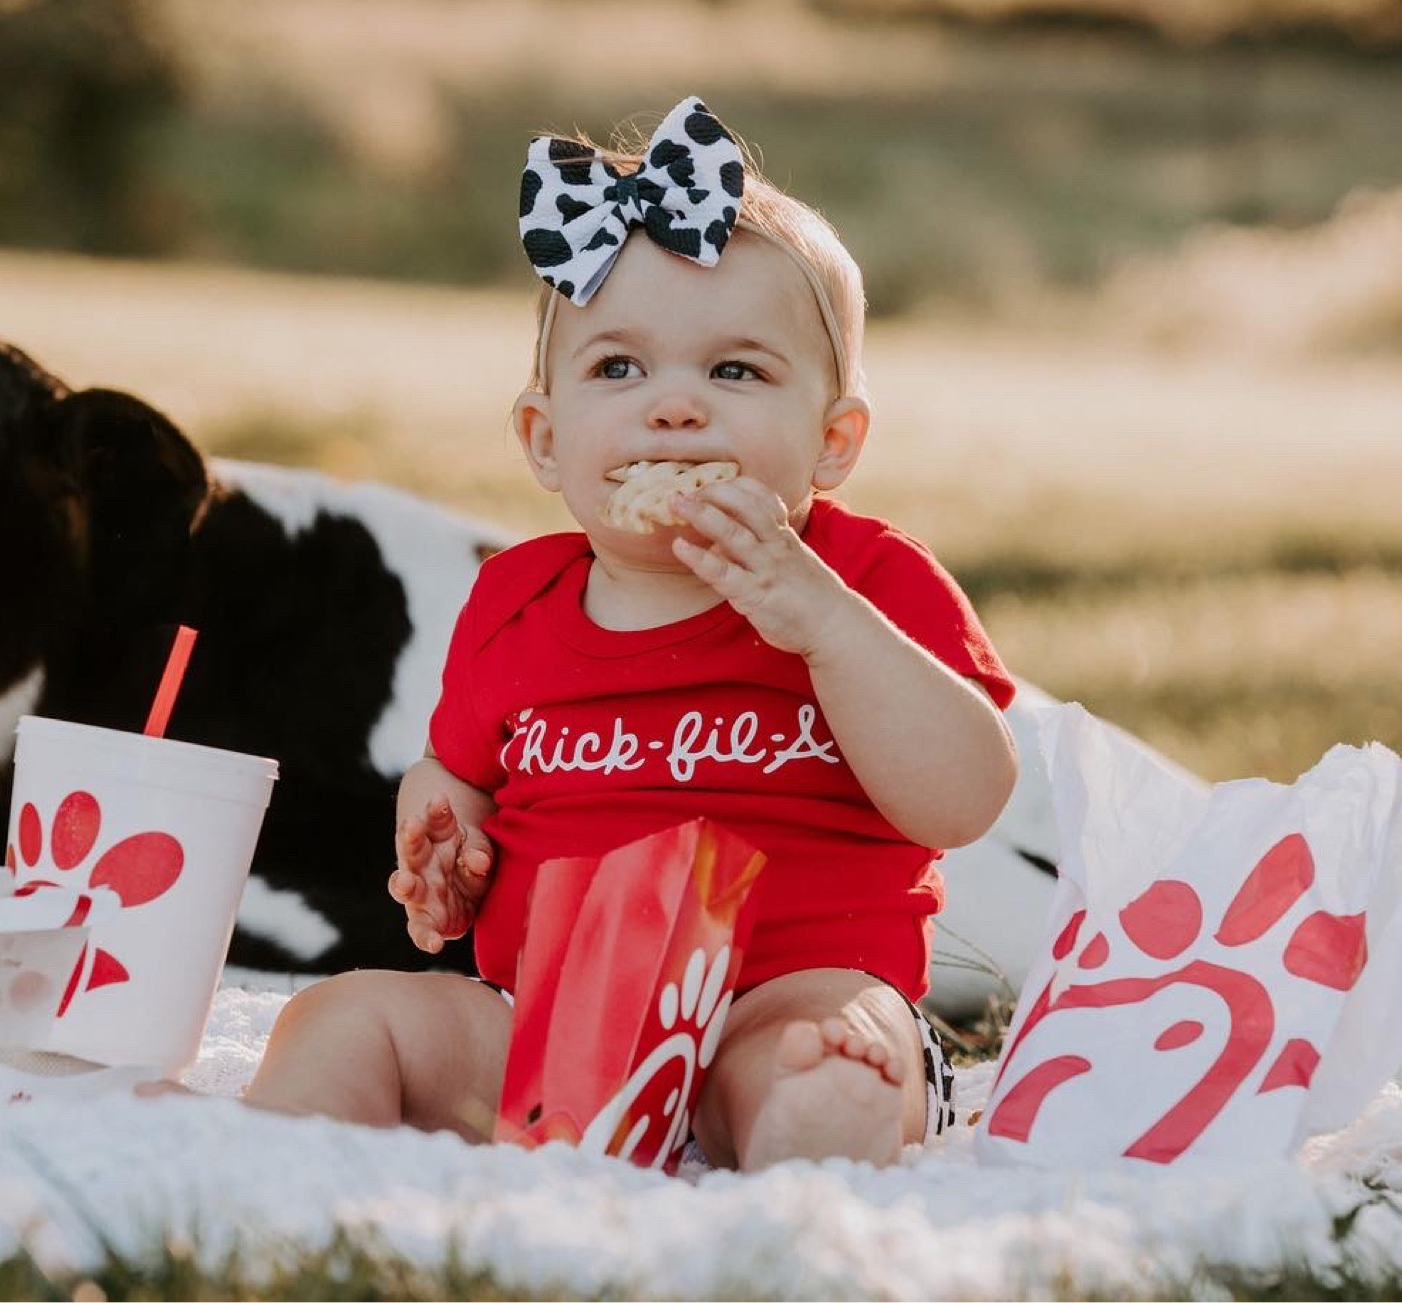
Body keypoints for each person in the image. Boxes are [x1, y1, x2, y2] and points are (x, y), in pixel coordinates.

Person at [245, 97, 1019, 1170]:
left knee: (828, 1067)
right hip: (555, 1024)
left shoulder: (867, 581)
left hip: (785, 994)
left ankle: (794, 1200)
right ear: (545, 438)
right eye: (618, 368)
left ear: (832, 441)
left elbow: (965, 794)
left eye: (734, 371)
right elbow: (455, 772)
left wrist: (824, 625)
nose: (673, 409)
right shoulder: (513, 598)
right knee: (341, 1019)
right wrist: (441, 849)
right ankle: (269, 1191)